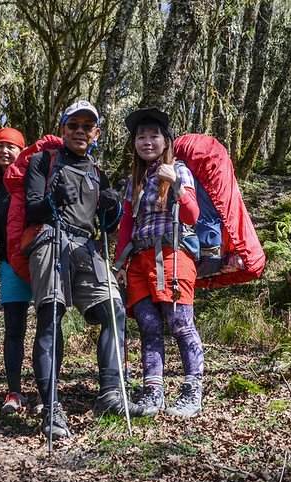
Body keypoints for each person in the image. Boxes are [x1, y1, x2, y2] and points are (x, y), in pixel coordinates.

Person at [24, 100, 141, 440]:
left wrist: (114, 208)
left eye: (86, 126)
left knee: (114, 308)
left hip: (86, 245)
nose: (79, 131)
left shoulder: (96, 171)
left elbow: (105, 224)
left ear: (96, 133)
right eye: (72, 125)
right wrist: (51, 200)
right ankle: (51, 407)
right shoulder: (42, 161)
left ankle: (110, 394)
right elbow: (32, 210)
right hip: (50, 239)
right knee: (52, 316)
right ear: (62, 129)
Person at [114, 107, 205, 418]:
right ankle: (154, 393)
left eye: (154, 135)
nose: (147, 142)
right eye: (141, 137)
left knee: (180, 323)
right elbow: (127, 222)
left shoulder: (179, 170)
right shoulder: (134, 180)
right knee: (149, 326)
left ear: (167, 141)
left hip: (173, 254)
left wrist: (176, 186)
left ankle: (193, 392)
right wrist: (119, 264)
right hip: (138, 260)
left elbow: (193, 216)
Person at [0, 128, 33, 414]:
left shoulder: (33, 178)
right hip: (9, 262)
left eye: (11, 147)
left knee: (48, 325)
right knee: (14, 328)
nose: (5, 151)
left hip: (39, 258)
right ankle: (14, 391)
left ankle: (47, 391)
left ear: (21, 150)